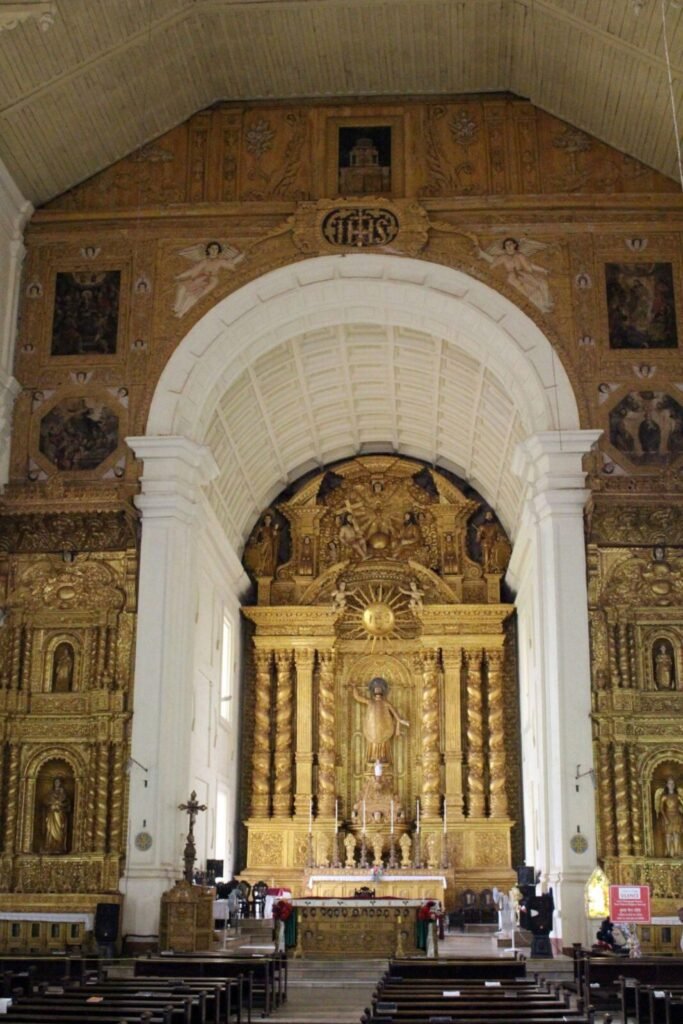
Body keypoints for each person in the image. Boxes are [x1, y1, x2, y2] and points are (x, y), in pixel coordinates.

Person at [353, 677, 408, 764]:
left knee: (383, 742)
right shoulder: (370, 702)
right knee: (373, 741)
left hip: (383, 727)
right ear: (373, 692)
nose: (378, 690)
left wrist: (400, 720)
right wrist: (354, 687)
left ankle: (382, 757)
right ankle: (373, 757)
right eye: (376, 689)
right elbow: (358, 697)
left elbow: (395, 714)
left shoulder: (386, 703)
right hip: (373, 728)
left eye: (379, 689)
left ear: (382, 691)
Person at [654, 776, 683, 857]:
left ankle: (676, 852)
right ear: (667, 785)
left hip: (676, 816)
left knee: (676, 834)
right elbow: (661, 808)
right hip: (667, 816)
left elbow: (680, 806)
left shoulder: (677, 796)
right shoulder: (664, 797)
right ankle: (668, 852)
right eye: (670, 783)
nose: (671, 785)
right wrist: (665, 818)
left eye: (672, 783)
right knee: (668, 835)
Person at [43, 776, 71, 854]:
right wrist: (51, 804)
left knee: (60, 829)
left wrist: (59, 804)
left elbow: (67, 802)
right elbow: (45, 801)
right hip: (51, 813)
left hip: (59, 813)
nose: (57, 783)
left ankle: (59, 846)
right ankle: (50, 845)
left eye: (58, 782)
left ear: (61, 783)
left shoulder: (63, 793)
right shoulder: (50, 793)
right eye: (56, 782)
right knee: (50, 829)